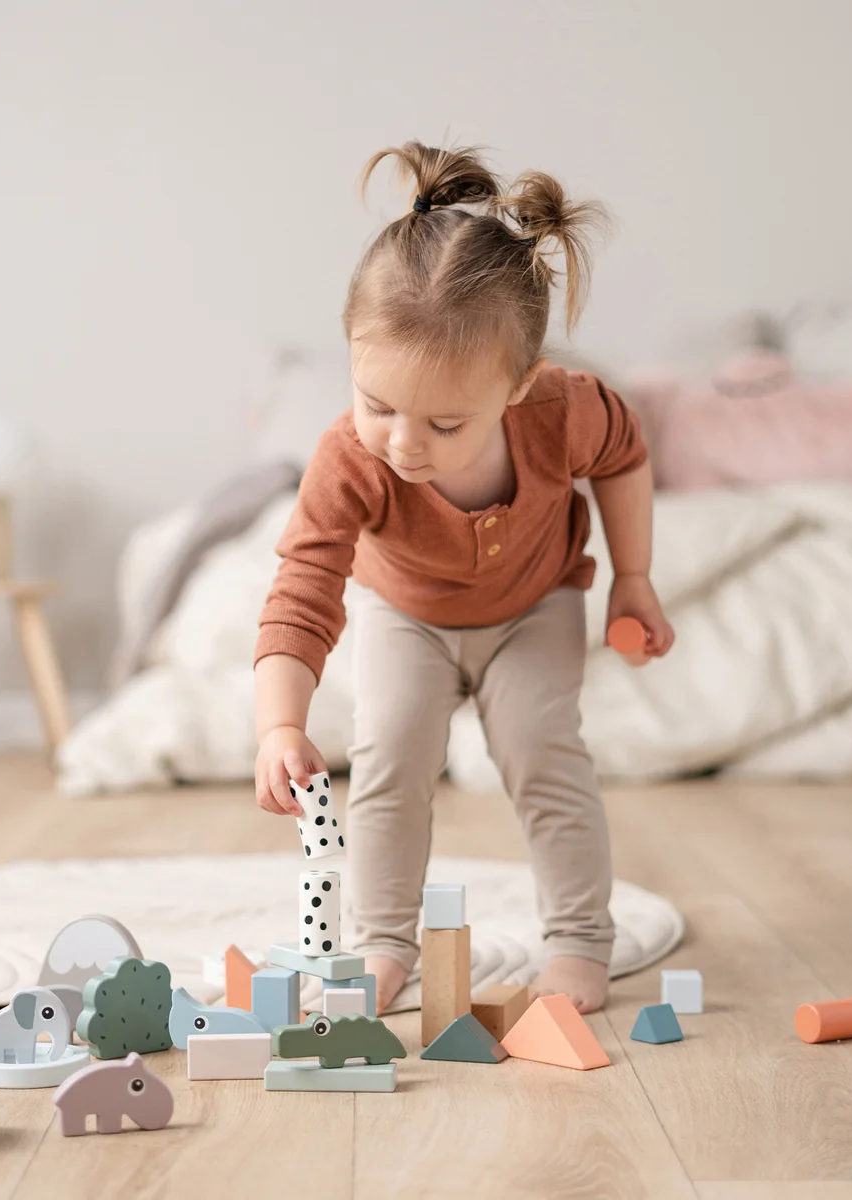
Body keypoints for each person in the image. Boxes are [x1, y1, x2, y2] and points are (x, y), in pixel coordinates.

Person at [253, 141, 674, 1015]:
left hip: (536, 605)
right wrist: (279, 725)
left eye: (446, 424)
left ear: (518, 386)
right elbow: (303, 589)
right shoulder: (349, 459)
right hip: (405, 614)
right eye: (378, 405)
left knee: (543, 752)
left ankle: (579, 941)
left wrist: (632, 577)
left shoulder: (564, 410)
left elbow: (626, 453)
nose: (404, 443)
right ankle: (382, 943)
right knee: (389, 759)